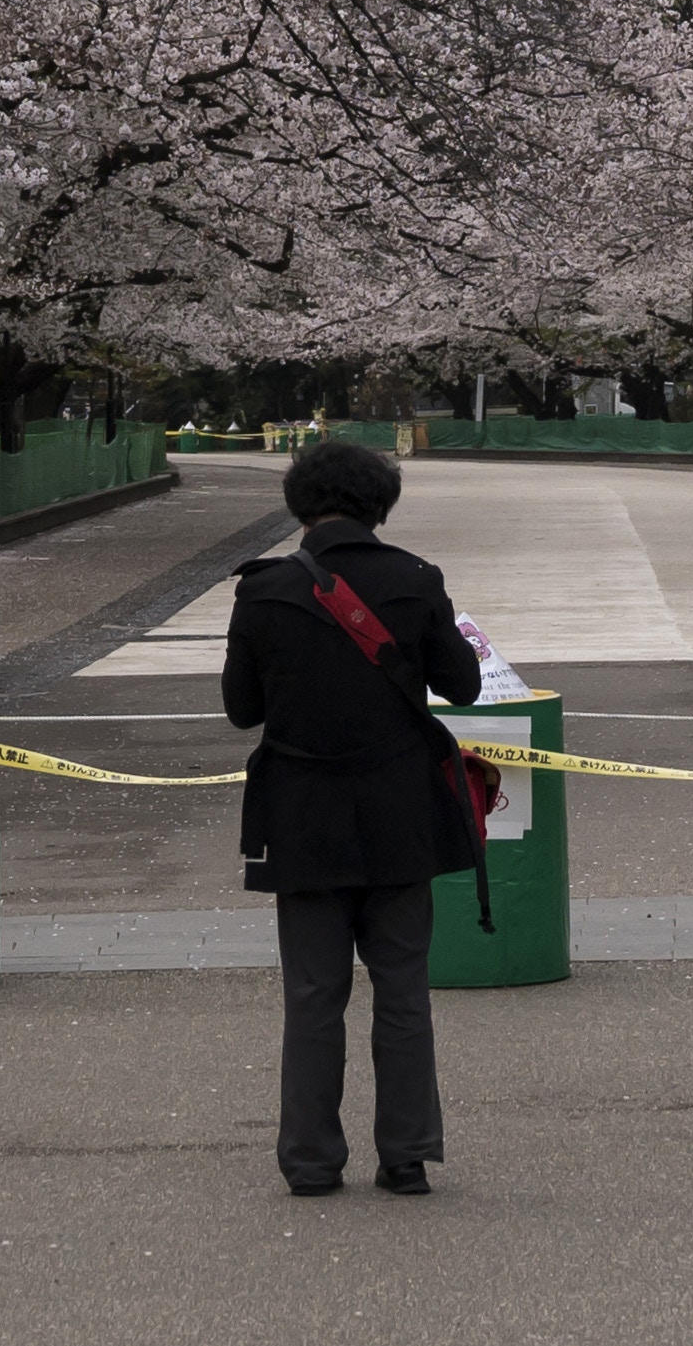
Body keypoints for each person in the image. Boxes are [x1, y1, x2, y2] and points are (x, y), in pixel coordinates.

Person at [223, 436, 483, 1196]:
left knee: (311, 994)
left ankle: (309, 1161)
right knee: (401, 987)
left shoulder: (262, 590)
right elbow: (462, 686)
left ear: (299, 503)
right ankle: (405, 1155)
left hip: (301, 815)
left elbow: (242, 710)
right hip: (400, 812)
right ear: (381, 504)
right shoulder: (414, 578)